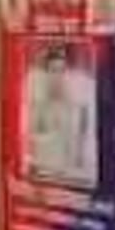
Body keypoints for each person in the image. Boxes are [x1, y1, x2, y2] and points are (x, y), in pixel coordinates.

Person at [25, 45, 96, 188]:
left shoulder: (77, 108)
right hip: (48, 173)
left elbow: (83, 141)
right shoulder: (39, 107)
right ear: (46, 74)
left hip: (73, 174)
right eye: (53, 71)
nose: (57, 76)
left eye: (61, 70)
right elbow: (30, 142)